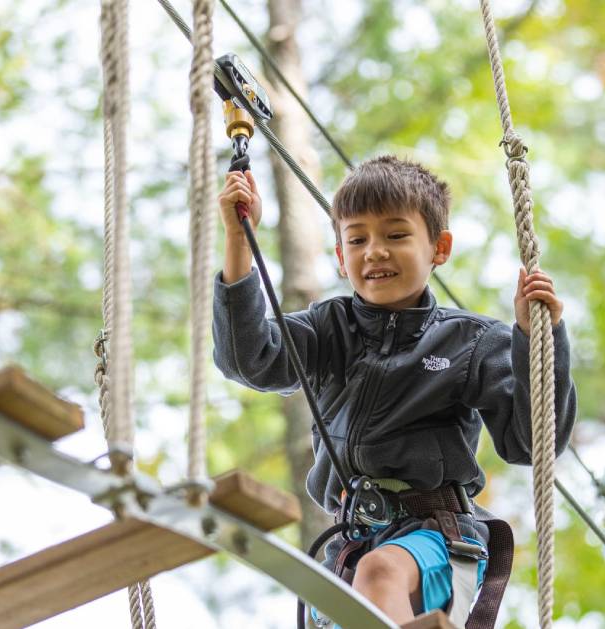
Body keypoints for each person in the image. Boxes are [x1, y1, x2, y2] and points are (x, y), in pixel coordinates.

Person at [213, 155, 577, 626]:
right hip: (352, 541)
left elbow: (532, 443)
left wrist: (536, 342)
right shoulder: (330, 329)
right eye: (357, 239)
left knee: (380, 571)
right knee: (363, 578)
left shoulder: (468, 343)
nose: (375, 251)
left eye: (396, 235)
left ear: (439, 248)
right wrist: (239, 241)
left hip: (436, 537)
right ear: (341, 258)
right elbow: (250, 358)